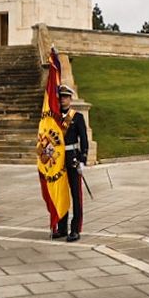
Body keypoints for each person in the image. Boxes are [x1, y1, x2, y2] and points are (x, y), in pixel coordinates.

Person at [58, 85, 88, 242]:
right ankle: (62, 227)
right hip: (58, 161)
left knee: (76, 196)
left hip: (73, 160)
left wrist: (83, 160)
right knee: (61, 195)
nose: (63, 99)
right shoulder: (54, 117)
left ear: (70, 99)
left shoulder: (77, 117)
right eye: (61, 97)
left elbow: (83, 140)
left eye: (65, 97)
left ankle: (75, 229)